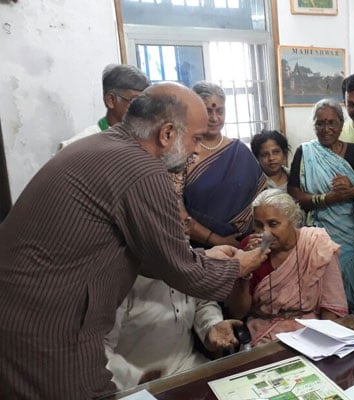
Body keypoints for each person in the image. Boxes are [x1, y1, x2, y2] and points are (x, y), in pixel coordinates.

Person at [0, 82, 268, 399]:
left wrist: (208, 258)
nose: (197, 150)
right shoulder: (142, 168)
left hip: (26, 317)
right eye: (195, 138)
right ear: (167, 133)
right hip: (51, 328)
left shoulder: (102, 144)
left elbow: (158, 260)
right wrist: (239, 265)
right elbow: (180, 270)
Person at [287, 98, 354, 322]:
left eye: (332, 123)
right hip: (322, 236)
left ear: (341, 124)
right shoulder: (305, 152)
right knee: (328, 296)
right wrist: (327, 198)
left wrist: (352, 189)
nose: (326, 129)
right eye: (320, 123)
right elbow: (295, 195)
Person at [227, 189, 349, 345]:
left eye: (273, 224)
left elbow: (332, 306)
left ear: (294, 220)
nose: (265, 233)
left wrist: (325, 343)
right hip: (263, 333)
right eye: (258, 225)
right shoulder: (248, 249)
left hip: (311, 331)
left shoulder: (317, 245)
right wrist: (245, 269)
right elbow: (237, 312)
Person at [104, 276, 242, 390]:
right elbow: (96, 349)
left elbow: (203, 302)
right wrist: (134, 378)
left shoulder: (186, 262)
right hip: (133, 385)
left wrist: (211, 325)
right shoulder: (117, 279)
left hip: (191, 367)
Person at [182, 81, 266, 248]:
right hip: (199, 249)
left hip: (246, 244)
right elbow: (176, 212)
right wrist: (217, 241)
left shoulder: (239, 151)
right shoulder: (182, 154)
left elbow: (262, 196)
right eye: (208, 111)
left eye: (220, 111)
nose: (214, 118)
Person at [58, 64, 151, 150]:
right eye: (135, 101)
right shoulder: (77, 147)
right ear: (110, 100)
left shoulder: (149, 140)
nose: (143, 109)